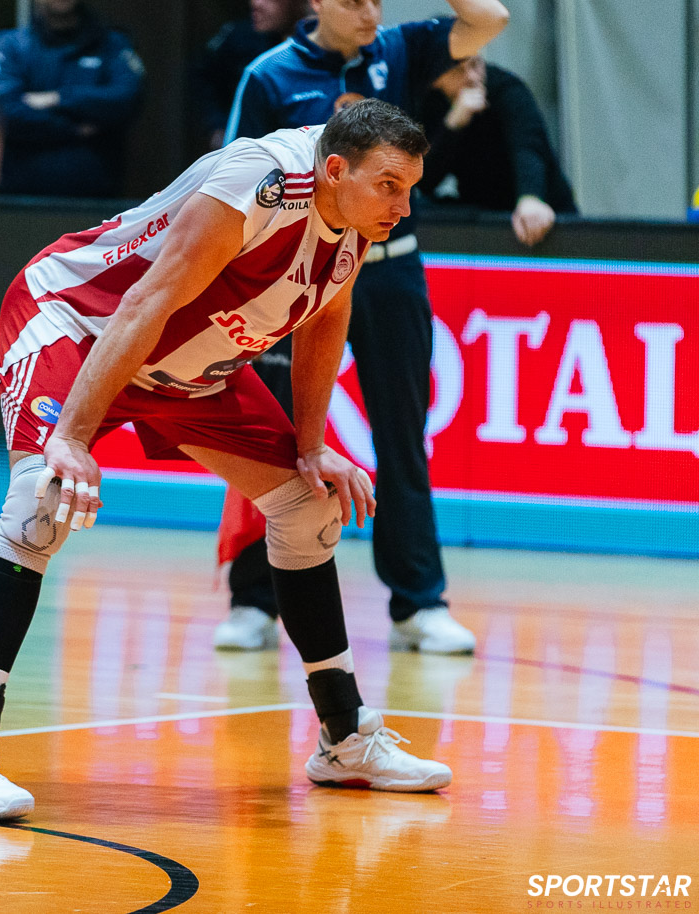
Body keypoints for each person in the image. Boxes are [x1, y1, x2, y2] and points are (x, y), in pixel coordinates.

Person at [0, 98, 454, 825]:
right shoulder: (260, 183)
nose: (403, 206)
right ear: (336, 169)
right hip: (82, 326)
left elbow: (327, 316)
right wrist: (71, 436)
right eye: (390, 186)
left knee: (307, 503)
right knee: (40, 500)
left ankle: (345, 740)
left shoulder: (354, 214)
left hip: (187, 368)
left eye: (410, 188)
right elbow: (146, 301)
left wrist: (310, 446)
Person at [216, 0, 509, 655]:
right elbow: (233, 180)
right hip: (297, 273)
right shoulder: (269, 74)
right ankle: (253, 599)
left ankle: (419, 603)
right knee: (274, 435)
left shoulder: (398, 51)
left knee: (403, 436)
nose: (371, 11)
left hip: (389, 270)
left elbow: (490, 20)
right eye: (354, 0)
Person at [0, 0, 144, 198]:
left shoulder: (112, 44)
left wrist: (58, 98)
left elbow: (126, 98)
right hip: (19, 198)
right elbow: (2, 111)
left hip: (96, 198)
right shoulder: (8, 45)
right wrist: (74, 128)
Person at [419, 55, 577, 246]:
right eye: (458, 71)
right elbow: (425, 182)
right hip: (485, 218)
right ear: (437, 78)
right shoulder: (429, 102)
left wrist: (530, 198)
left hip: (541, 211)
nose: (472, 77)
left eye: (475, 65)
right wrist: (452, 126)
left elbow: (527, 145)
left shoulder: (507, 88)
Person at [194, 0, 308, 150]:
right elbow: (202, 78)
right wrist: (216, 124)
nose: (255, 4)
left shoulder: (320, 50)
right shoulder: (239, 37)